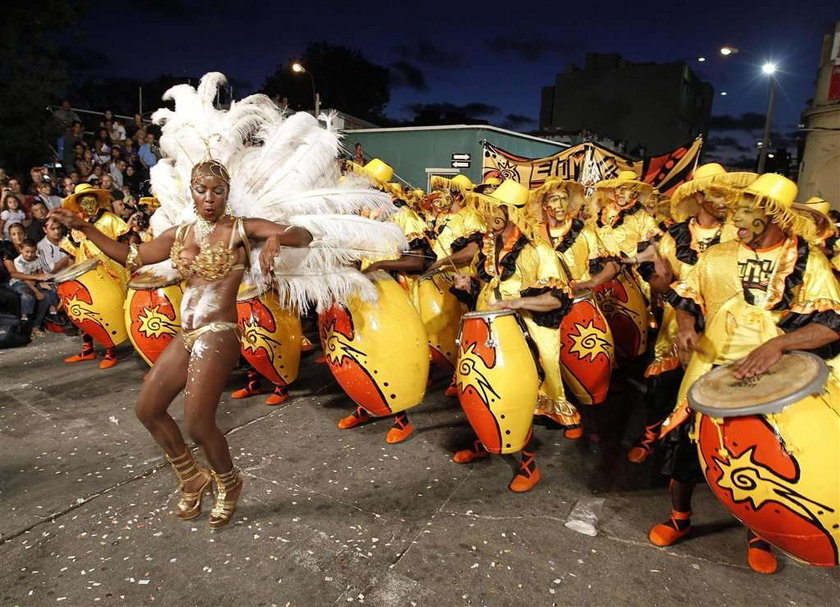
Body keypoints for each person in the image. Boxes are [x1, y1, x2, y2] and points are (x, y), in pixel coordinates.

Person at [51, 160, 313, 528]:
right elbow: (132, 258)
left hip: (218, 331)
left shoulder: (241, 228)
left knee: (197, 424)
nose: (209, 199)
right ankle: (191, 476)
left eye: (218, 191)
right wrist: (84, 228)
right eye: (201, 190)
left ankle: (229, 481)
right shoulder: (180, 233)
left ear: (227, 193)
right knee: (147, 408)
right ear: (191, 190)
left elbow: (302, 235)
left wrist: (273, 239)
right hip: (185, 333)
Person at [649, 173, 840, 574]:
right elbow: (688, 296)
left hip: (769, 375)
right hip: (710, 365)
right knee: (685, 446)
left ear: (773, 217)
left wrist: (779, 344)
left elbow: (831, 322)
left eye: (746, 214)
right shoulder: (719, 256)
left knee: (761, 458)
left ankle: (760, 535)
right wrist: (686, 325)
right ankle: (679, 519)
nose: (736, 221)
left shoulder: (810, 263)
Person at [450, 180, 572, 492]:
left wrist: (516, 303)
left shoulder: (538, 251)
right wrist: (469, 285)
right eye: (488, 208)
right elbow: (488, 288)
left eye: (497, 209)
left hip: (524, 330)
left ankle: (529, 465)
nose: (490, 215)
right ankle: (483, 441)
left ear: (512, 213)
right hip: (486, 327)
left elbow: (558, 298)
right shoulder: (488, 247)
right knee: (483, 386)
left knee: (516, 394)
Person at [625, 164, 751, 463]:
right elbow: (657, 287)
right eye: (716, 194)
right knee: (662, 389)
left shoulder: (740, 235)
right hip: (676, 328)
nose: (723, 201)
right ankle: (651, 435)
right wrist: (661, 278)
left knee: (719, 394)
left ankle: (714, 454)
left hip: (725, 331)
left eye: (726, 195)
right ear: (699, 195)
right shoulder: (672, 237)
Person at [60, 183, 129, 368]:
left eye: (90, 200)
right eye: (83, 201)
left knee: (107, 308)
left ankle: (110, 352)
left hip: (110, 270)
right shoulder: (76, 225)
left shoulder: (109, 219)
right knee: (85, 308)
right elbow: (71, 251)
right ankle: (88, 349)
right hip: (85, 272)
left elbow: (126, 242)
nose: (88, 204)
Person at [11, 238, 58, 336]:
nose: (29, 254)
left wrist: (42, 282)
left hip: (34, 281)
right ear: (21, 250)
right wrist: (37, 291)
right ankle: (25, 318)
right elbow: (25, 279)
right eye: (27, 252)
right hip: (20, 282)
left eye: (32, 252)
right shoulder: (19, 261)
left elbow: (40, 273)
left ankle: (36, 327)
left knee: (49, 291)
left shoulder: (37, 258)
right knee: (27, 296)